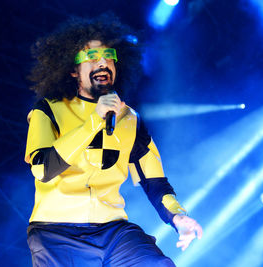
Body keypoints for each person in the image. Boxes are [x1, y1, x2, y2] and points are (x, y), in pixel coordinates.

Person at [25, 13, 202, 266]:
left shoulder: (130, 119)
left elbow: (155, 183)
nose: (102, 63)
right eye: (91, 57)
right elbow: (43, 169)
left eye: (109, 57)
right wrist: (95, 121)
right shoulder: (48, 110)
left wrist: (177, 216)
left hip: (114, 233)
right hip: (56, 233)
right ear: (74, 70)